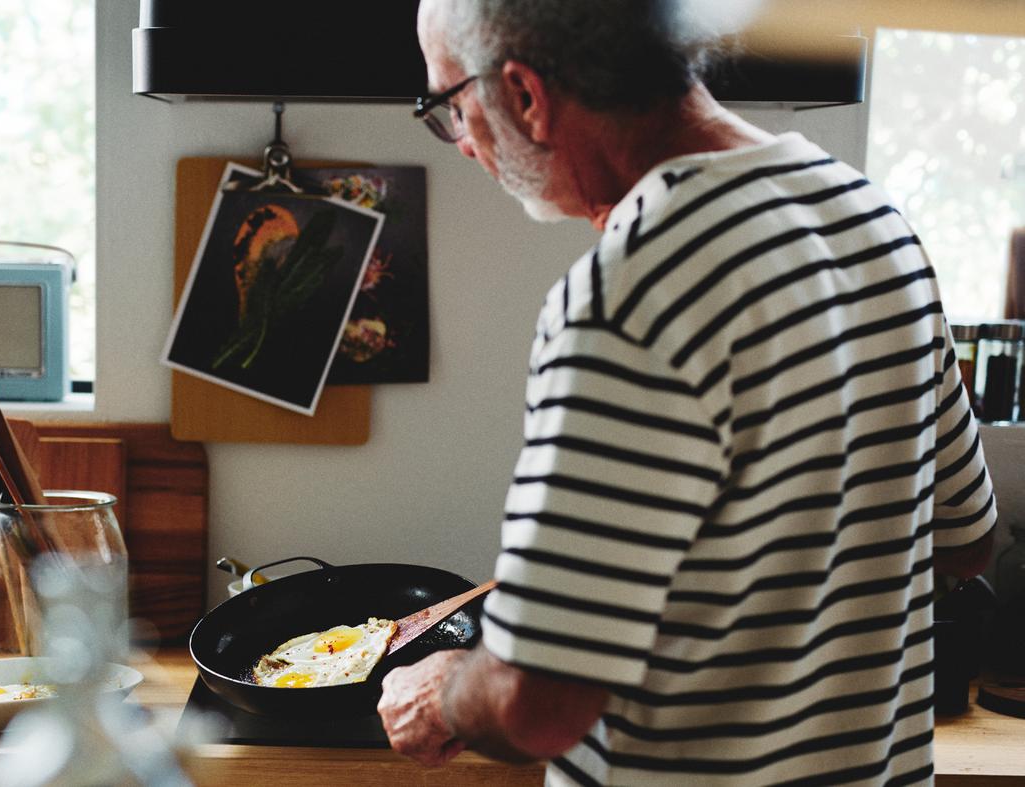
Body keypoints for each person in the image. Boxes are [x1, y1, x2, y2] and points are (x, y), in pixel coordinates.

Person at [378, 0, 999, 783]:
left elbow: (539, 706)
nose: (464, 142)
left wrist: (443, 689)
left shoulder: (627, 295)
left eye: (452, 105)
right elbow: (966, 539)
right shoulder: (875, 222)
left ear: (527, 96)